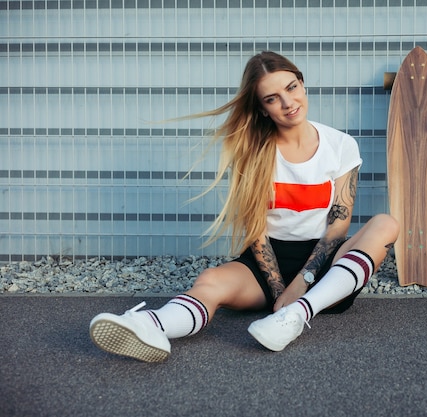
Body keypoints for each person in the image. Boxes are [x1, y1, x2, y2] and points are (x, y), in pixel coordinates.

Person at [89, 51, 399, 362]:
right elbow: (256, 230)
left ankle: (297, 315)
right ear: (262, 109)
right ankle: (151, 324)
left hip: (323, 270)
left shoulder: (340, 145)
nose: (288, 103)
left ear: (302, 84)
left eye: (291, 88)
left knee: (385, 224)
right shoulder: (253, 151)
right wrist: (279, 290)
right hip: (267, 266)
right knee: (210, 280)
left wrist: (299, 289)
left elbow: (338, 226)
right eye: (272, 98)